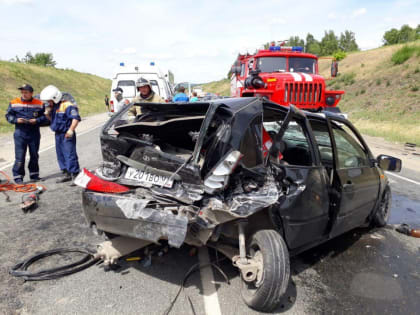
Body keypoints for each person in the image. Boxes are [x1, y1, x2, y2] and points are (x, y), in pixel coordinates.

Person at [5, 84, 48, 183]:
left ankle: (34, 175)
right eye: (22, 92)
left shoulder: (39, 103)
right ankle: (18, 177)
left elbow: (44, 117)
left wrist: (36, 121)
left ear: (31, 93)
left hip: (34, 133)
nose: (24, 94)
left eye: (26, 92)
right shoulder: (14, 102)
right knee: (20, 156)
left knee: (34, 155)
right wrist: (16, 120)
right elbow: (8, 115)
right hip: (20, 133)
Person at [40, 85, 81, 184]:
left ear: (55, 98)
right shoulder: (54, 107)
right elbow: (53, 121)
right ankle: (66, 173)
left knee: (70, 154)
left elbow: (75, 119)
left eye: (49, 100)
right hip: (58, 134)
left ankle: (75, 174)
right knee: (61, 154)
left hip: (67, 133)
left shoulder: (67, 105)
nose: (48, 103)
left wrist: (70, 130)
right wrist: (47, 114)